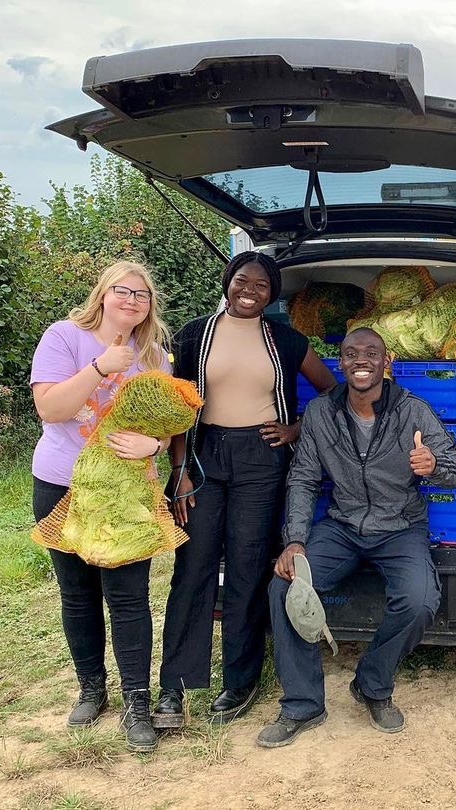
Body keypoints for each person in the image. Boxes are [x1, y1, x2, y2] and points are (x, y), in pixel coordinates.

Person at [256, 328, 456, 747]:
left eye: (371, 353)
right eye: (352, 353)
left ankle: (372, 684)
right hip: (343, 525)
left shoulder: (412, 410)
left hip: (400, 526)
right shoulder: (320, 413)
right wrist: (295, 541)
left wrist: (433, 464)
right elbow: (302, 479)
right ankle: (302, 704)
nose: (361, 360)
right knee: (284, 589)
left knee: (420, 599)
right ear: (342, 363)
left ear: (385, 362)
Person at [154, 251, 336, 729]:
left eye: (260, 285)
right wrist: (180, 470)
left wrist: (295, 429)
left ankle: (240, 679)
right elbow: (178, 407)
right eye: (242, 281)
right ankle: (174, 685)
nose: (249, 290)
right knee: (192, 565)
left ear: (271, 293)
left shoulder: (286, 339)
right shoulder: (194, 334)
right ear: (228, 282)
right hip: (204, 456)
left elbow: (331, 390)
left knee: (247, 566)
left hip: (263, 457)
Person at [30, 261, 174, 752]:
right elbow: (51, 409)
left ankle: (137, 702)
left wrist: (154, 446)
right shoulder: (64, 337)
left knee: (129, 597)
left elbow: (170, 422)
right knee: (78, 592)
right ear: (103, 293)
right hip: (64, 484)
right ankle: (92, 688)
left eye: (143, 294)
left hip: (129, 492)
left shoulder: (154, 354)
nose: (133, 299)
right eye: (123, 290)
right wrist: (98, 369)